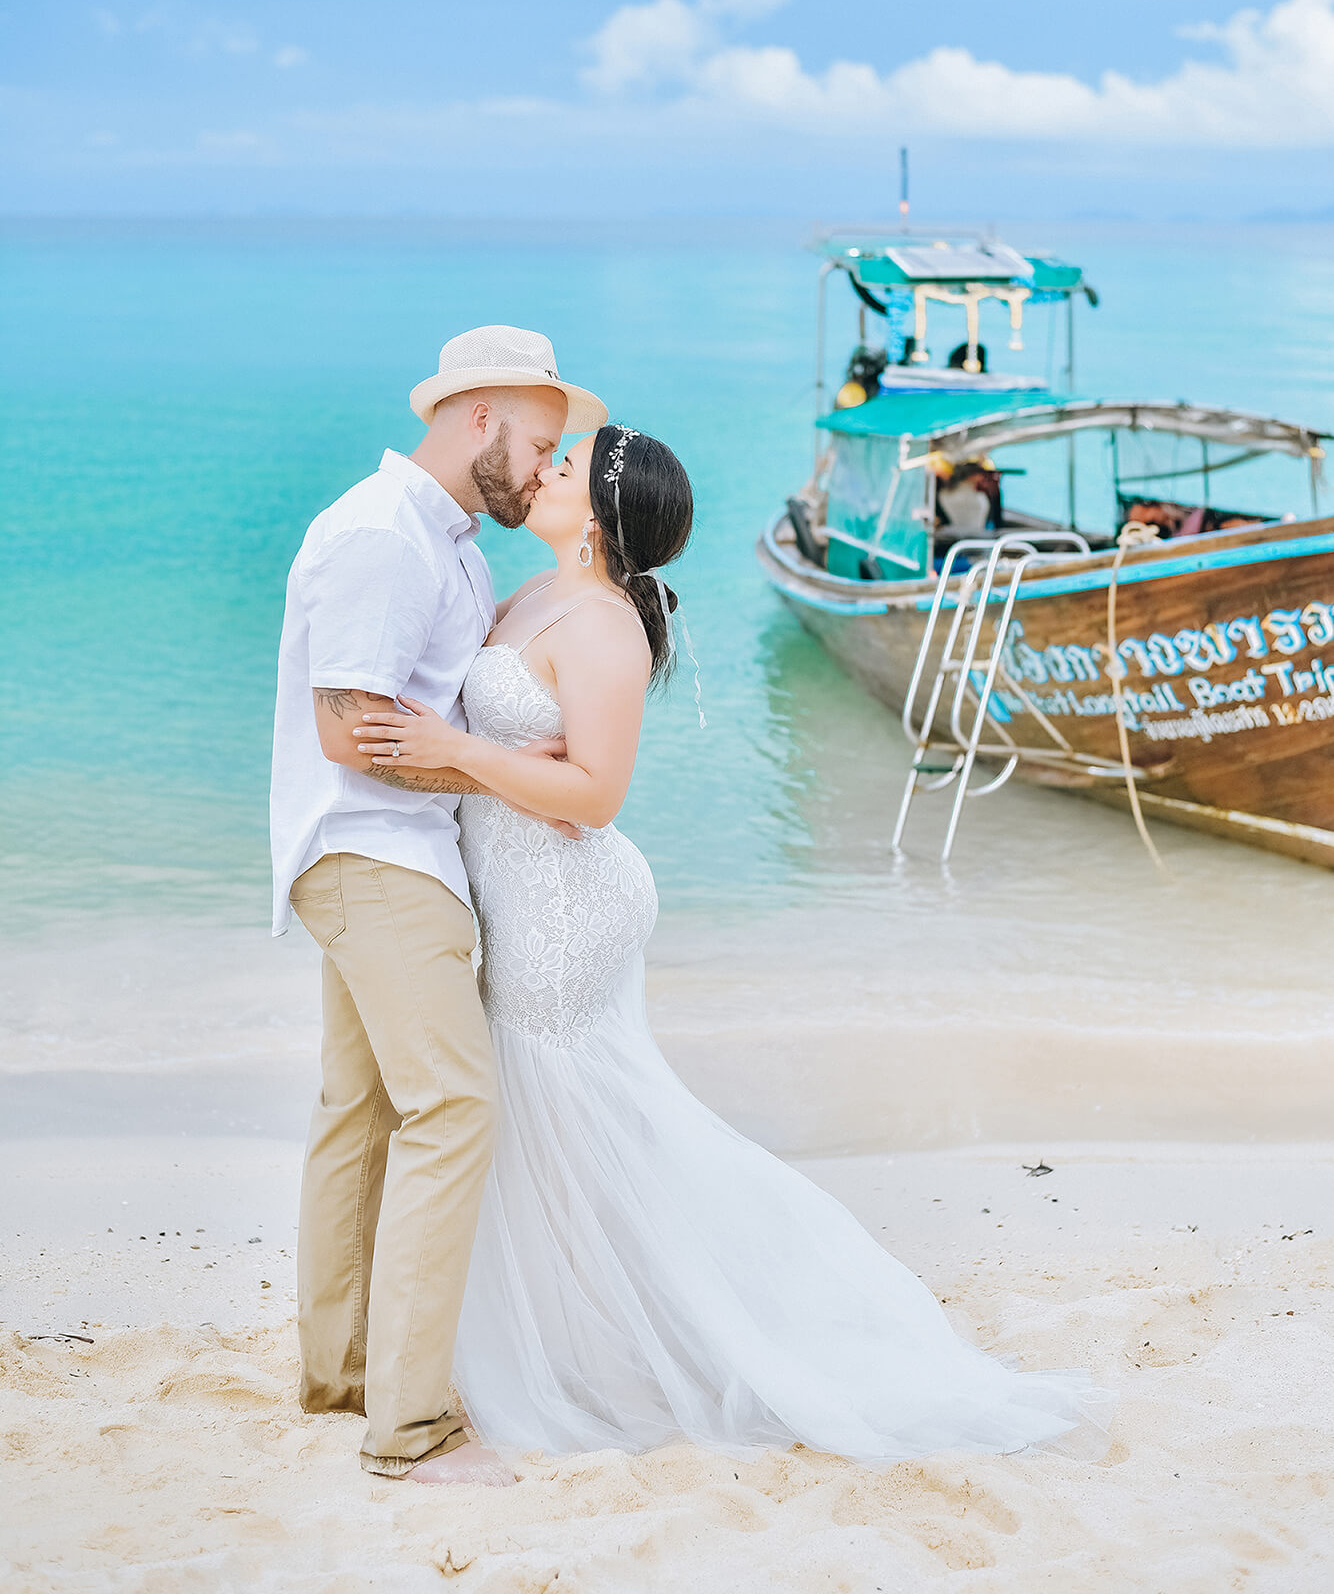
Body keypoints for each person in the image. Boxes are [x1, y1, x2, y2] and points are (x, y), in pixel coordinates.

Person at [353, 426, 1109, 1463]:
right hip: (522, 889)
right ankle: (596, 1335)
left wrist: (459, 752)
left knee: (575, 1122)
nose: (542, 471)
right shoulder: (528, 594)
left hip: (565, 903)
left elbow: (593, 796)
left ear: (606, 516)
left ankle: (650, 1341)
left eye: (564, 467)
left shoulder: (605, 623)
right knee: (563, 1127)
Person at [269, 325, 606, 1487]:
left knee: (358, 1112)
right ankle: (408, 1426)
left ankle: (345, 1372)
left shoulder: (451, 544)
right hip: (373, 851)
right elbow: (349, 732)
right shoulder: (380, 533)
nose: (546, 464)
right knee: (455, 1108)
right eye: (542, 442)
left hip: (397, 852)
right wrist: (512, 773)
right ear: (480, 419)